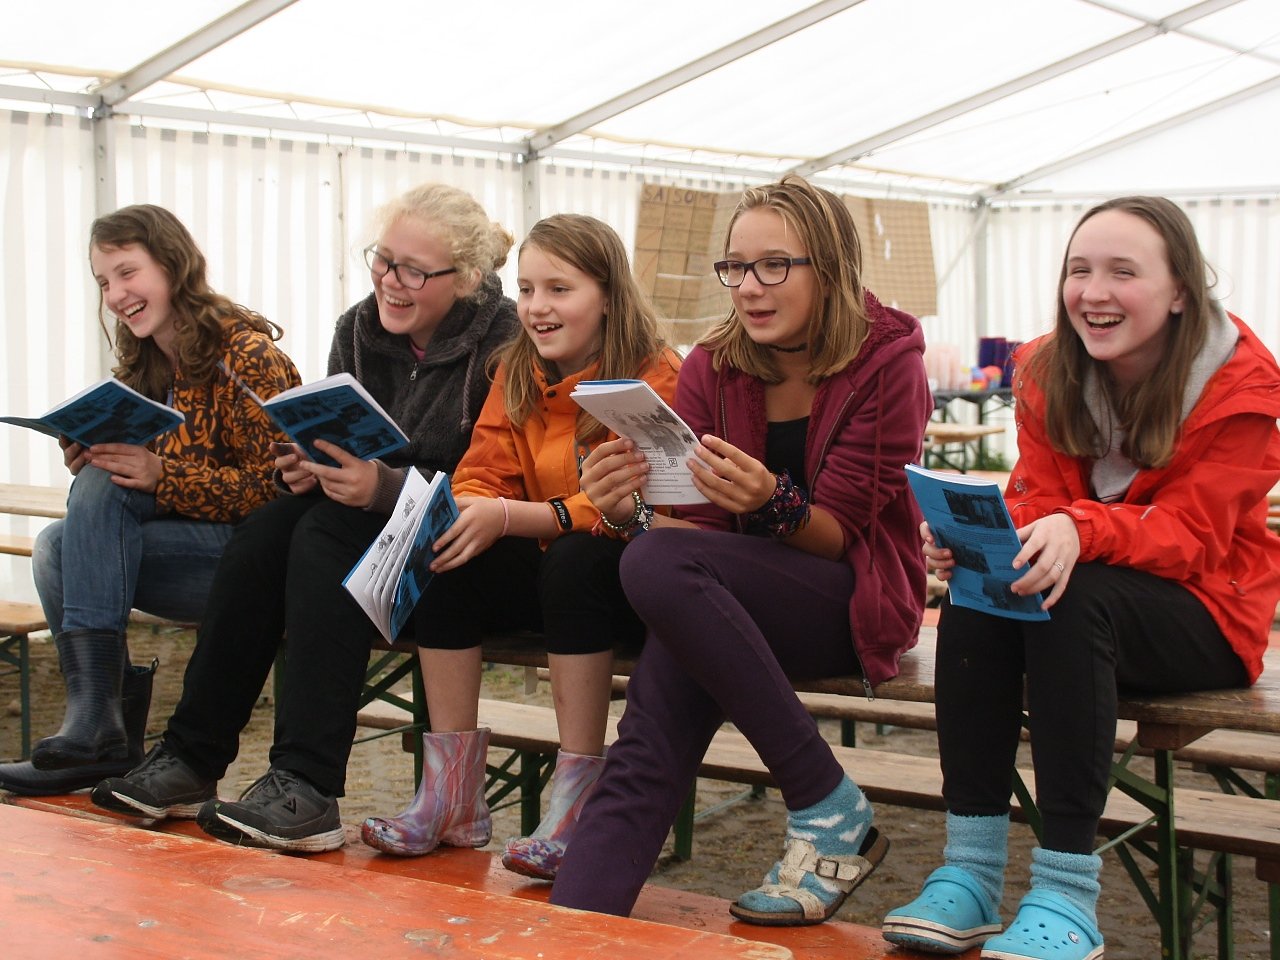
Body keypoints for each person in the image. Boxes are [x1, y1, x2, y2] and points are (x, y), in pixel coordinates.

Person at [881, 196, 1280, 959]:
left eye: (1123, 272)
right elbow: (1037, 496)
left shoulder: (1242, 386)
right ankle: (970, 873)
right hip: (1094, 601)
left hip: (1211, 613)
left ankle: (1068, 894)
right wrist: (978, 538)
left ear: (1181, 291)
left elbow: (1195, 537)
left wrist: (1077, 528)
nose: (1093, 292)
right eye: (1079, 270)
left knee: (1067, 594)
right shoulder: (1047, 369)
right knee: (985, 589)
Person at [549, 175, 933, 925]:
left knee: (654, 570)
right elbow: (699, 538)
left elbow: (842, 534)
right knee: (649, 723)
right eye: (736, 267)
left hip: (849, 598)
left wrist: (769, 501)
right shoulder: (714, 365)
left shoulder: (888, 361)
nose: (750, 287)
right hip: (730, 596)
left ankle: (819, 795)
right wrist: (628, 512)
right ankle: (570, 929)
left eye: (774, 266)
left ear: (830, 268)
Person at [90, 183, 519, 851]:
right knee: (267, 529)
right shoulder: (358, 328)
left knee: (320, 535)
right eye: (383, 259)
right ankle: (192, 757)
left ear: (462, 279)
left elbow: (492, 479)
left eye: (412, 270)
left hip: (468, 542)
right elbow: (338, 440)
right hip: (372, 519)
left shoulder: (504, 343)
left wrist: (381, 486)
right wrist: (304, 466)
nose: (390, 281)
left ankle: (307, 784)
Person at [360, 213, 681, 880]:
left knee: (575, 558)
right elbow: (482, 471)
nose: (536, 308)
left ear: (609, 296)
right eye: (528, 289)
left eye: (559, 290)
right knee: (451, 547)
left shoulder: (654, 377)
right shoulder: (515, 371)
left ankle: (577, 798)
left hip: (630, 582)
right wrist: (477, 507)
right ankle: (450, 796)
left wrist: (520, 515)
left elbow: (645, 505)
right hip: (550, 574)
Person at [0, 205, 301, 797]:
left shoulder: (245, 354)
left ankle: (99, 728)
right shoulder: (142, 362)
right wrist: (92, 455)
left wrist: (163, 476)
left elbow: (279, 492)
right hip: (186, 550)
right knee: (57, 543)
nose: (116, 295)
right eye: (103, 282)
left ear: (172, 264)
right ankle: (101, 728)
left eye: (127, 272)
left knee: (69, 537)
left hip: (258, 565)